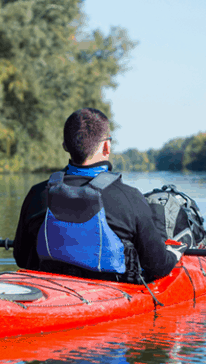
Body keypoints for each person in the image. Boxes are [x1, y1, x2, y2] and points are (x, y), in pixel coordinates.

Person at [13, 108, 186, 283]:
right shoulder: (130, 198)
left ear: (65, 146)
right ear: (106, 146)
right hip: (111, 294)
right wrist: (174, 253)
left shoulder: (36, 194)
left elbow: (21, 257)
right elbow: (159, 267)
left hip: (53, 288)